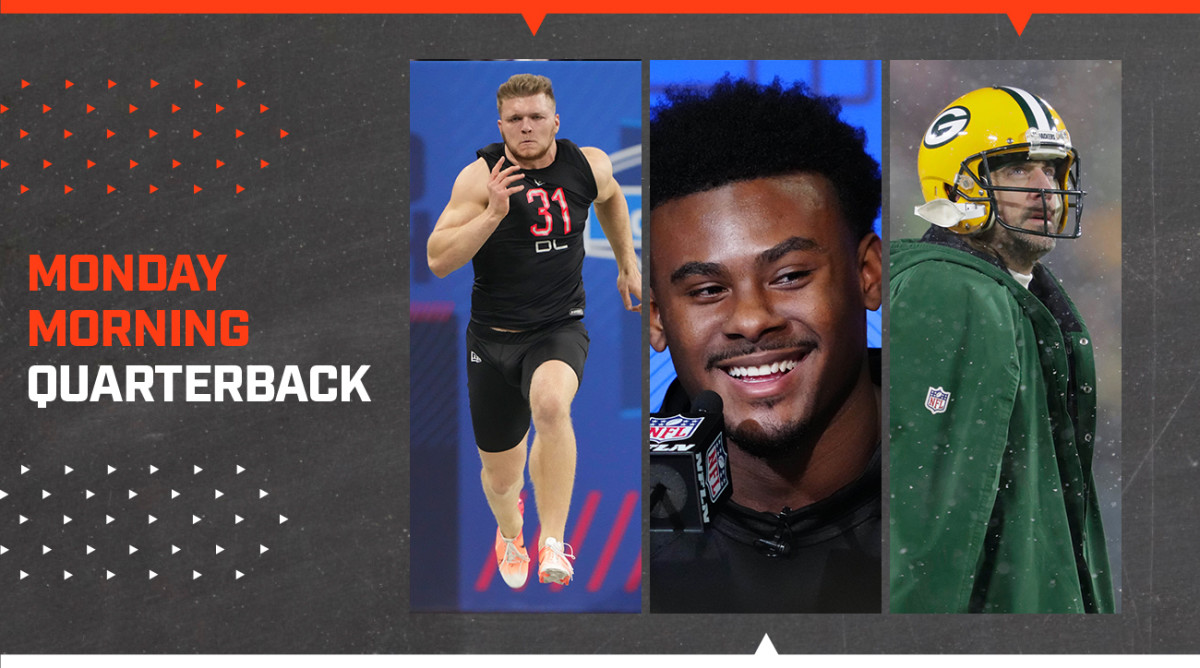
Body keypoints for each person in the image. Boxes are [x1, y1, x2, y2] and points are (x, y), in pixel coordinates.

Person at [647, 76, 883, 613]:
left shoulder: (963, 486)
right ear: (656, 319)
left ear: (868, 274)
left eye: (790, 275)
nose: (751, 321)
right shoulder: (602, 536)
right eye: (707, 290)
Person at [889, 86, 1116, 613]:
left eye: (1053, 169)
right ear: (957, 182)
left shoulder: (1019, 292)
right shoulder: (952, 292)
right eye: (1017, 169)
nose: (1046, 189)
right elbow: (928, 522)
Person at [426, 73, 641, 588]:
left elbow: (611, 198)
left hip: (557, 329)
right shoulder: (480, 180)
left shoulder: (588, 164)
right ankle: (511, 532)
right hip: (492, 341)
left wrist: (626, 261)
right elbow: (437, 259)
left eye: (536, 117)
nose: (526, 127)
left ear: (555, 121)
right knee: (501, 481)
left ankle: (553, 542)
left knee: (550, 403)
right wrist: (493, 215)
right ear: (500, 125)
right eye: (516, 120)